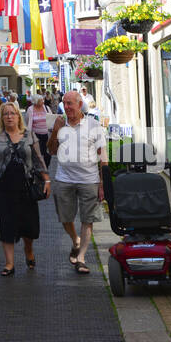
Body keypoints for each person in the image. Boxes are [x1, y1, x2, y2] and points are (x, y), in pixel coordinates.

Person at [0, 101, 50, 276]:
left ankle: (29, 250)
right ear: (2, 118)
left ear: (18, 117)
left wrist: (47, 180)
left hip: (25, 186)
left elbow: (38, 159)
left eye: (13, 113)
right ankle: (9, 263)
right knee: (6, 223)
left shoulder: (29, 135)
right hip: (2, 187)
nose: (9, 116)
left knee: (29, 225)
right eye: (6, 114)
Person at [46, 89, 108, 276]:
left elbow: (103, 157)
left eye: (70, 103)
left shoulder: (93, 125)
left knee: (87, 220)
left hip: (89, 180)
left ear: (79, 105)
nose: (66, 107)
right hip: (64, 179)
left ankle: (81, 258)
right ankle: (76, 240)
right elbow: (51, 151)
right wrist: (56, 131)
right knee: (65, 218)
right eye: (64, 103)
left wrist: (103, 183)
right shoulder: (60, 124)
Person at [25, 95, 54, 167]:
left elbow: (52, 119)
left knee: (47, 155)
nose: (43, 101)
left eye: (43, 100)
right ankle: (38, 170)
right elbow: (27, 121)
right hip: (36, 136)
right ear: (36, 101)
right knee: (37, 154)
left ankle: (45, 168)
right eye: (41, 100)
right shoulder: (30, 109)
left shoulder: (46, 108)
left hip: (47, 135)